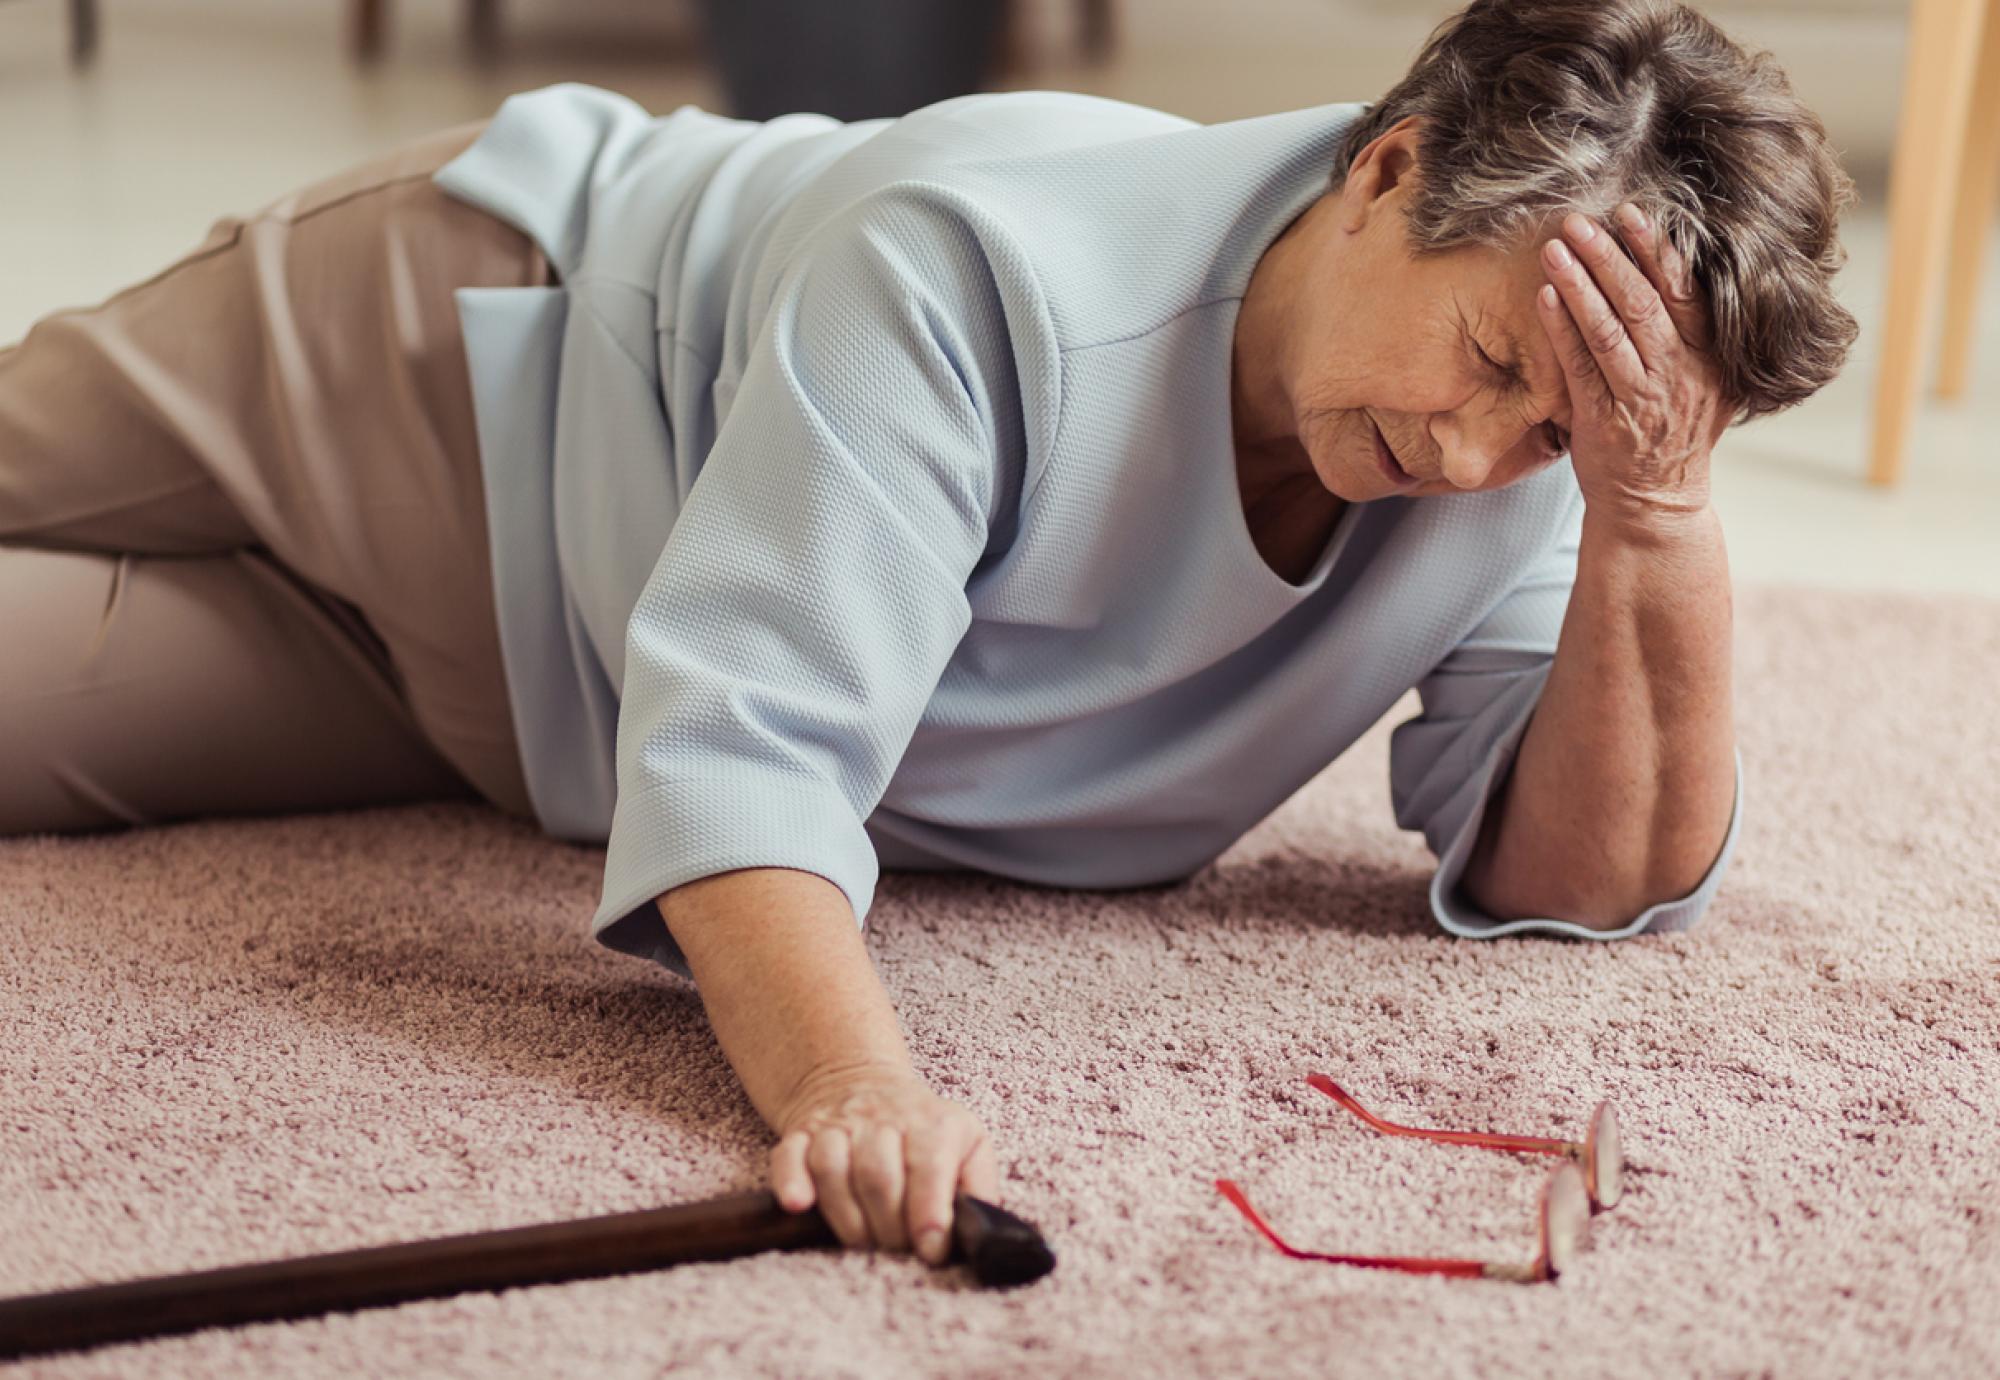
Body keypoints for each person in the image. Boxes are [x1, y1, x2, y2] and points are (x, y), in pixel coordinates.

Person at [0, 0, 1855, 1273]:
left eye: (1554, 428)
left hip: (522, 700)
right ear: (1387, 168)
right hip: (444, 368)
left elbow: (1584, 879)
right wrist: (850, 1085)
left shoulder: (1542, 467)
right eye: (1486, 362)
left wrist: (1649, 510)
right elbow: (750, 753)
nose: (1467, 456)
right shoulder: (979, 261)